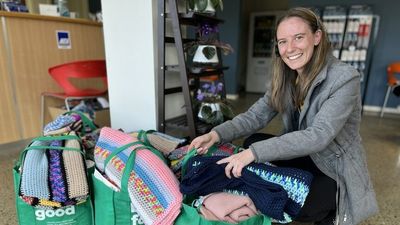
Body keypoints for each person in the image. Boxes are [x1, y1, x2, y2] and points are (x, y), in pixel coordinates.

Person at [188, 7, 378, 225]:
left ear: (317, 37)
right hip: (305, 155)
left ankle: (329, 210)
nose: (290, 48)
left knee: (300, 204)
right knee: (253, 141)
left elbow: (319, 136)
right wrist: (216, 135)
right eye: (283, 42)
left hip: (333, 167)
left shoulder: (344, 78)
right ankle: (286, 185)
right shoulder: (287, 76)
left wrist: (253, 154)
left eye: (299, 38)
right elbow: (254, 116)